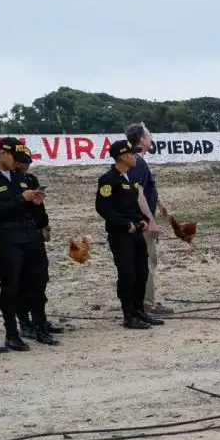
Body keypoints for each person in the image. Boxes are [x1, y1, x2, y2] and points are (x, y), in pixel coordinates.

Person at [0, 136, 40, 351]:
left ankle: (31, 324)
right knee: (10, 285)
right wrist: (20, 200)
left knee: (33, 281)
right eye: (14, 157)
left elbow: (26, 206)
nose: (17, 162)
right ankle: (11, 332)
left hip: (28, 234)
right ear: (2, 153)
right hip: (5, 236)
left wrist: (33, 202)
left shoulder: (18, 175)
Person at [97, 139, 161, 330]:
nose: (135, 157)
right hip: (121, 235)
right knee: (128, 274)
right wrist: (125, 224)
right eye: (132, 154)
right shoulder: (109, 179)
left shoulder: (130, 180)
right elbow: (103, 208)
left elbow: (135, 205)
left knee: (141, 272)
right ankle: (129, 315)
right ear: (123, 157)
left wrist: (143, 219)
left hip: (136, 233)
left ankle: (139, 311)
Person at [9, 142, 59, 344]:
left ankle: (40, 320)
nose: (24, 167)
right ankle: (25, 322)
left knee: (40, 279)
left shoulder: (30, 179)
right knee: (20, 282)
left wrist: (44, 226)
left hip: (34, 234)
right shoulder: (7, 181)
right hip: (16, 236)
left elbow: (39, 208)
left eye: (27, 163)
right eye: (21, 163)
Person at [124, 124, 171, 316]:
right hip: (142, 220)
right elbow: (139, 193)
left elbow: (145, 189)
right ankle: (147, 302)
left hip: (140, 217)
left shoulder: (134, 161)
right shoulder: (139, 163)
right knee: (148, 261)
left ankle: (142, 300)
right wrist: (150, 220)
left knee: (147, 260)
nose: (151, 139)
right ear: (142, 140)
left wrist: (159, 203)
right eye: (149, 136)